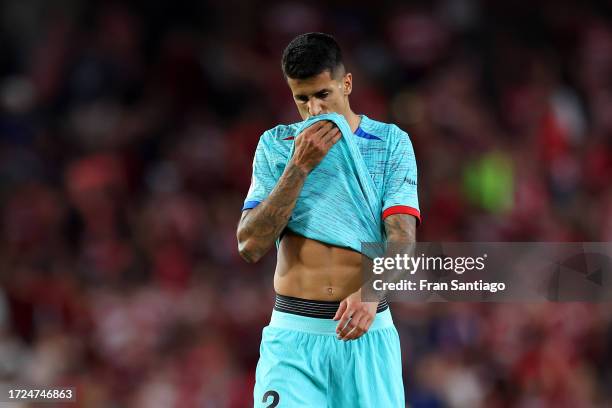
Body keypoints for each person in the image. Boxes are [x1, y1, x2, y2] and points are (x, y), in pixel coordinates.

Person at [237, 32, 420, 408]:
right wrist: (298, 167)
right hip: (293, 339)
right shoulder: (275, 147)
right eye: (302, 99)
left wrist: (371, 296)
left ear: (346, 83)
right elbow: (249, 245)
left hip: (367, 335)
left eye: (323, 95)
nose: (314, 110)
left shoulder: (390, 144)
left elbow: (403, 240)